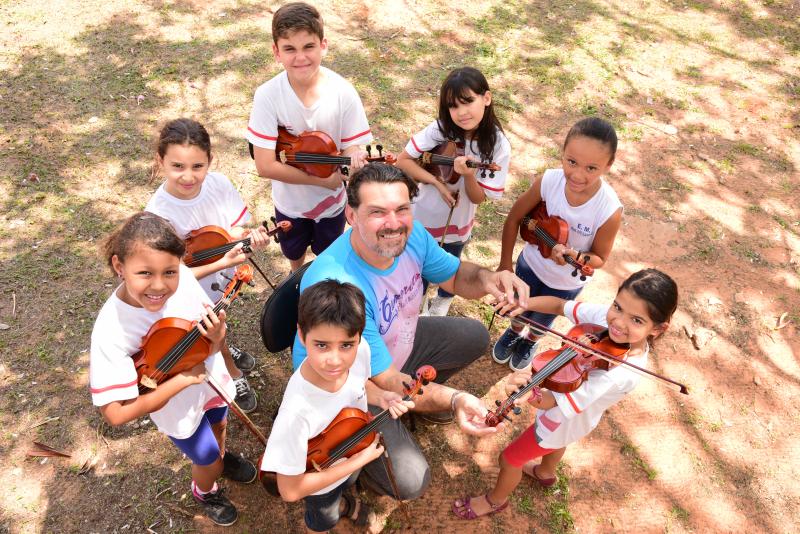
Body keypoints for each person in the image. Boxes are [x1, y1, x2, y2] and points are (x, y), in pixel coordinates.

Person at [293, 163, 529, 500]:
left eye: (402, 209)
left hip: (396, 346)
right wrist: (455, 398)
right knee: (411, 480)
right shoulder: (341, 283)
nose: (394, 223)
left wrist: (489, 279)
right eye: (377, 212)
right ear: (351, 215)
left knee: (474, 335)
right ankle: (358, 471)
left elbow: (456, 276)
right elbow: (386, 380)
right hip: (353, 383)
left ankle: (420, 404)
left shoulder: (412, 234)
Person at [452, 268, 679, 519]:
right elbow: (560, 305)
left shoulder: (618, 374)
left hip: (561, 420)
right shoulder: (604, 322)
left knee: (510, 459)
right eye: (618, 307)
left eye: (637, 320)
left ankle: (496, 500)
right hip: (579, 420)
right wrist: (523, 304)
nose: (618, 322)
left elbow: (551, 402)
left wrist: (526, 390)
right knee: (556, 444)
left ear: (658, 329)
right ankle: (545, 472)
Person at [89, 212, 257, 527]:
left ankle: (219, 460)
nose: (159, 285)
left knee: (219, 427)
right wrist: (182, 380)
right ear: (118, 267)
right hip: (177, 408)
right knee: (205, 458)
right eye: (144, 273)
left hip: (211, 386)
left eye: (170, 272)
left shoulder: (182, 281)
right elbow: (115, 414)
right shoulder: (111, 330)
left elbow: (206, 320)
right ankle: (205, 488)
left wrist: (218, 336)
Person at [261, 280, 414, 533]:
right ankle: (333, 512)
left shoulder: (361, 350)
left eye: (346, 345)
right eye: (321, 345)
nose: (335, 360)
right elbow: (290, 490)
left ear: (358, 337)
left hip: (350, 452)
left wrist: (381, 397)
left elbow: (360, 383)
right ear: (302, 335)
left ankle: (344, 499)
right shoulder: (295, 414)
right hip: (319, 483)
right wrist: (356, 462)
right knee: (325, 517)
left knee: (347, 483)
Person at [146, 118, 269, 413]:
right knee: (209, 324)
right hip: (187, 291)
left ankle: (223, 343)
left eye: (197, 167)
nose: (188, 176)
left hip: (219, 279)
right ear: (160, 161)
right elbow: (169, 275)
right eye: (177, 166)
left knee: (218, 320)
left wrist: (249, 238)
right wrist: (220, 263)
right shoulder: (158, 215)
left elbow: (233, 232)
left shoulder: (219, 184)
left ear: (210, 161)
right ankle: (232, 372)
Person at [246, 2, 372, 272]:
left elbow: (352, 147)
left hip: (332, 203)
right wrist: (321, 180)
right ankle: (296, 276)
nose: (300, 57)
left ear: (323, 45)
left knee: (328, 253)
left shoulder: (343, 92)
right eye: (290, 49)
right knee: (293, 250)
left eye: (308, 47)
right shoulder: (268, 95)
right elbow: (265, 165)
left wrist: (354, 161)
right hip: (289, 202)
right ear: (276, 51)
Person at [493, 117, 623, 371]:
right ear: (562, 153)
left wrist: (576, 255)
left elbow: (599, 258)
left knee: (542, 320)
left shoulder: (608, 208)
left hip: (564, 285)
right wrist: (505, 263)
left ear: (609, 165)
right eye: (571, 162)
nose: (577, 174)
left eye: (591, 168)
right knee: (516, 309)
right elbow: (515, 218)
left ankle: (530, 340)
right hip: (529, 267)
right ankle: (514, 331)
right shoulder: (550, 181)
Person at [396, 66, 511, 317]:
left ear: (487, 99)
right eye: (453, 106)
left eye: (468, 102)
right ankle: (419, 304)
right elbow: (403, 161)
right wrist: (437, 182)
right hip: (424, 213)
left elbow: (479, 197)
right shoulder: (441, 129)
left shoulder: (498, 145)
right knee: (420, 267)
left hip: (458, 218)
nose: (461, 113)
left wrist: (469, 175)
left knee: (452, 265)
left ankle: (443, 301)